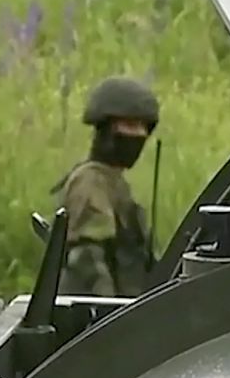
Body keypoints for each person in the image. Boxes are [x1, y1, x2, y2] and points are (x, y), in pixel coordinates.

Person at [50, 75, 159, 297]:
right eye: (129, 125)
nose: (138, 135)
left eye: (142, 127)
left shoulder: (115, 182)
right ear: (107, 129)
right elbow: (87, 259)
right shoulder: (90, 181)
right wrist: (109, 313)